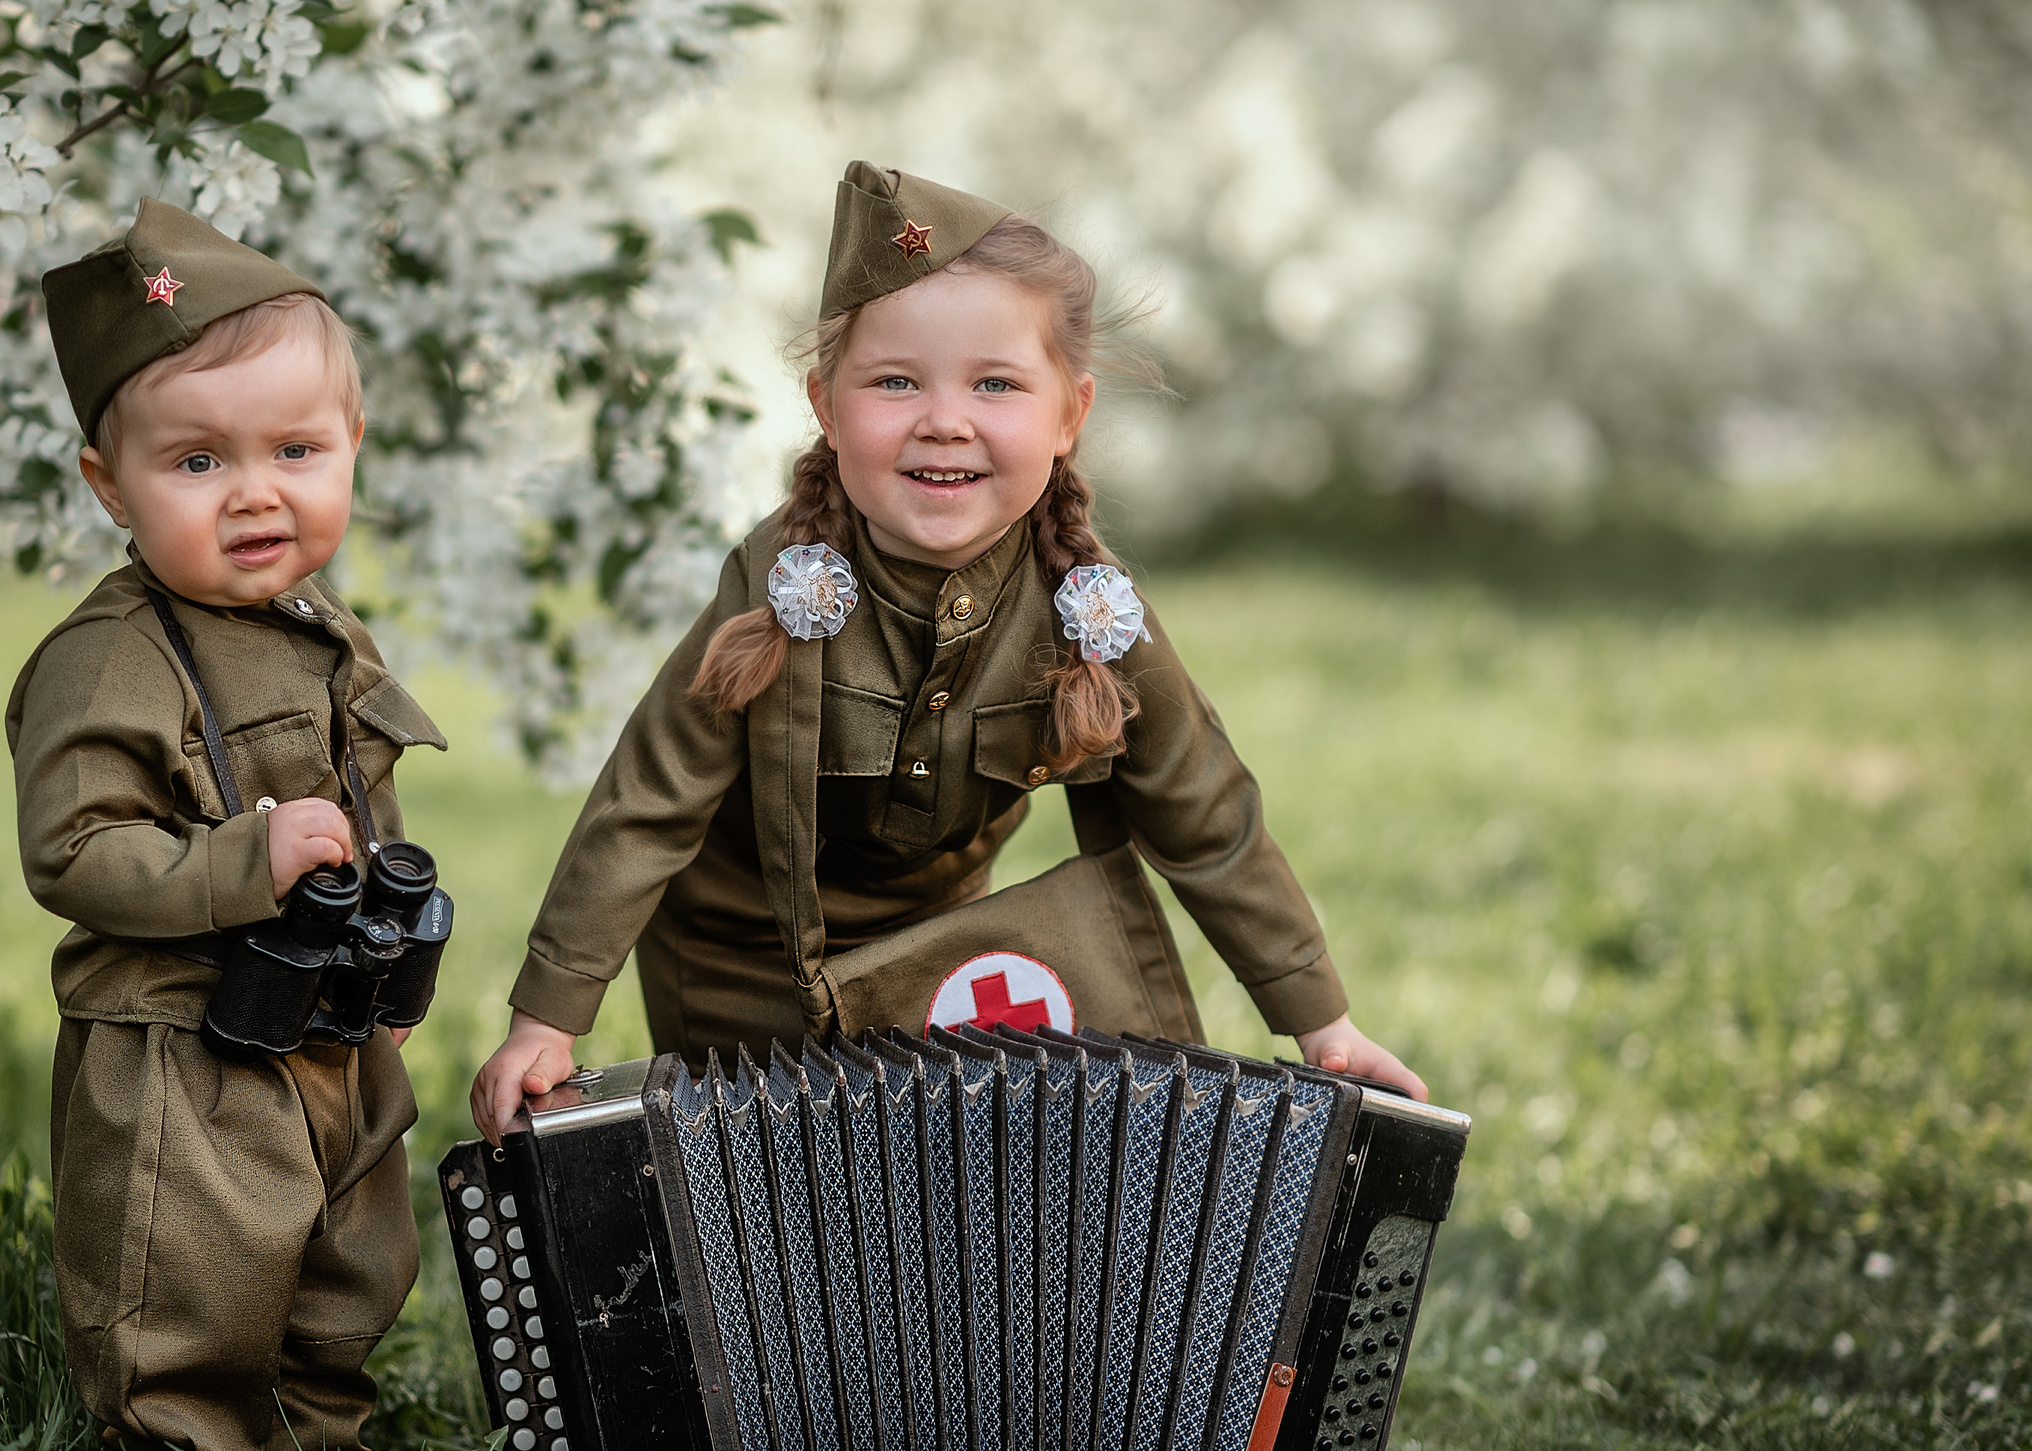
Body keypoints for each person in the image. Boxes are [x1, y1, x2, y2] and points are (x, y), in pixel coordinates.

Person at [473, 161, 1421, 1137]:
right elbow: (648, 800)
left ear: (1069, 416)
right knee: (772, 1190)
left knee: (948, 1204)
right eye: (895, 380)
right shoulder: (778, 581)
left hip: (933, 943)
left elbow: (1204, 810)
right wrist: (548, 1017)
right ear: (827, 408)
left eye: (995, 383)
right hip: (741, 948)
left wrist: (1321, 1021)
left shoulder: (1087, 608)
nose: (945, 418)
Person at [8, 199, 445, 1451]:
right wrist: (236, 865)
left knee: (347, 1262)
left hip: (328, 1029)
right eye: (196, 463)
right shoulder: (112, 654)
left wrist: (389, 966)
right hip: (185, 1044)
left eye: (297, 448)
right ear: (109, 483)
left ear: (352, 447)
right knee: (188, 1277)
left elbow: (363, 797)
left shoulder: (321, 625)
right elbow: (73, 849)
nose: (257, 492)